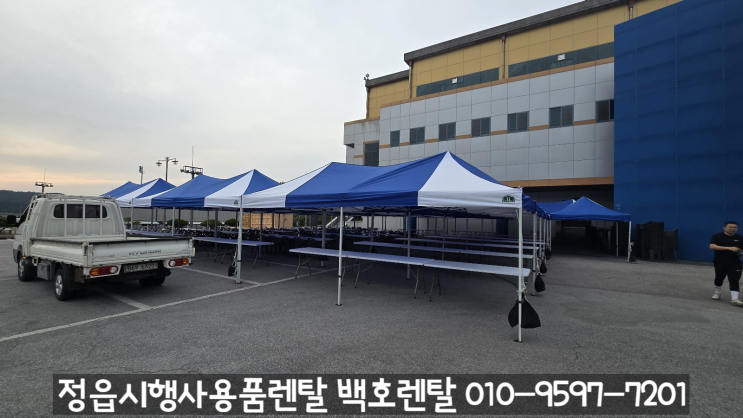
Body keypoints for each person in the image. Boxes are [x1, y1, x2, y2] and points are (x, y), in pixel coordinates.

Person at [709, 221, 743, 306]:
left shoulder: (740, 238)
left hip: (735, 262)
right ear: (725, 227)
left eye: (735, 227)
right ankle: (717, 292)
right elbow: (712, 246)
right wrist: (729, 248)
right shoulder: (717, 236)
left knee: (734, 279)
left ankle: (735, 299)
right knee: (719, 277)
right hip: (720, 261)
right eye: (730, 227)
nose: (733, 229)